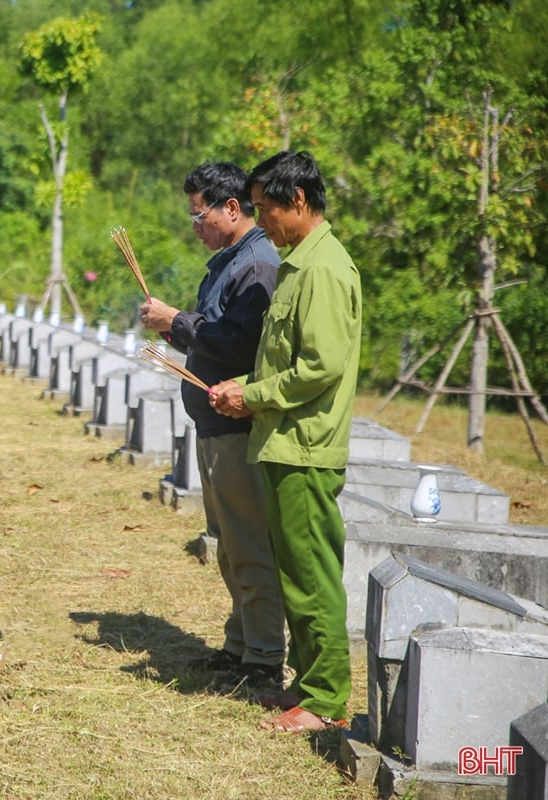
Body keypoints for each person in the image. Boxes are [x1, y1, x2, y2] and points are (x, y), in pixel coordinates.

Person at [208, 150, 362, 734]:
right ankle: (308, 684)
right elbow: (284, 360)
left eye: (267, 209)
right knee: (294, 572)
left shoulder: (323, 269)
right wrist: (242, 387)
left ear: (298, 202)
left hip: (305, 445)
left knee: (311, 573)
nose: (261, 221)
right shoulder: (300, 263)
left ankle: (325, 700)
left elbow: (319, 367)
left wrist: (252, 397)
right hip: (281, 441)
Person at [138, 162, 285, 690]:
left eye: (200, 214)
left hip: (237, 425)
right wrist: (174, 329)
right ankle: (239, 646)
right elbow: (210, 337)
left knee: (248, 546)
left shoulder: (258, 265)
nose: (194, 225)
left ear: (231, 207)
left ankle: (263, 661)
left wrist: (175, 319)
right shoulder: (229, 261)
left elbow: (238, 344)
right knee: (228, 542)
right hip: (213, 425)